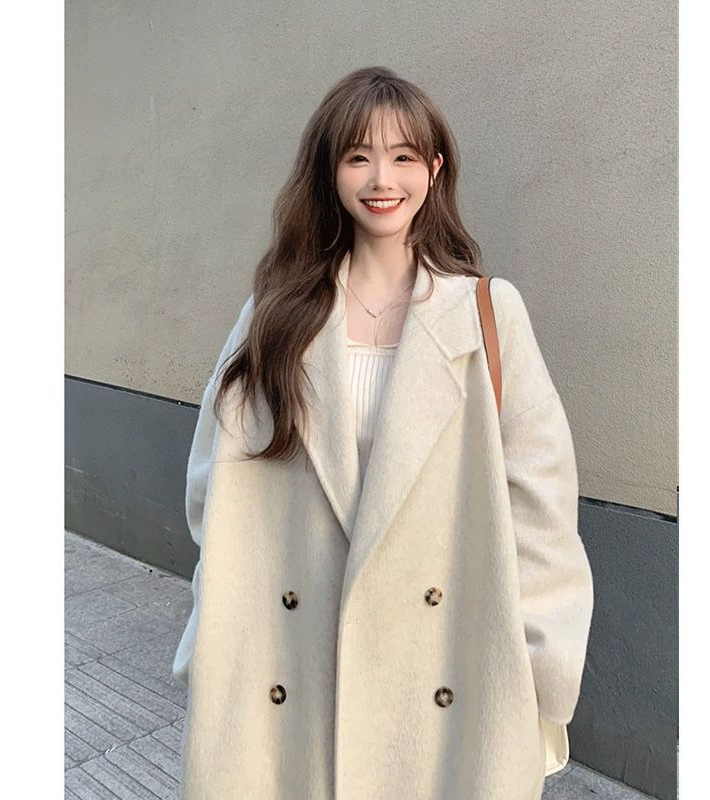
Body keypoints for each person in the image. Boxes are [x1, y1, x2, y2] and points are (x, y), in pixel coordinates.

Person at [172, 66, 594, 800]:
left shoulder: (487, 314)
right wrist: (219, 632)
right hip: (296, 664)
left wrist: (539, 668)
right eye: (358, 156)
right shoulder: (276, 315)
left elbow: (541, 504)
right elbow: (214, 483)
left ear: (435, 169)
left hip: (443, 666)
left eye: (403, 156)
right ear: (329, 170)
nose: (381, 179)